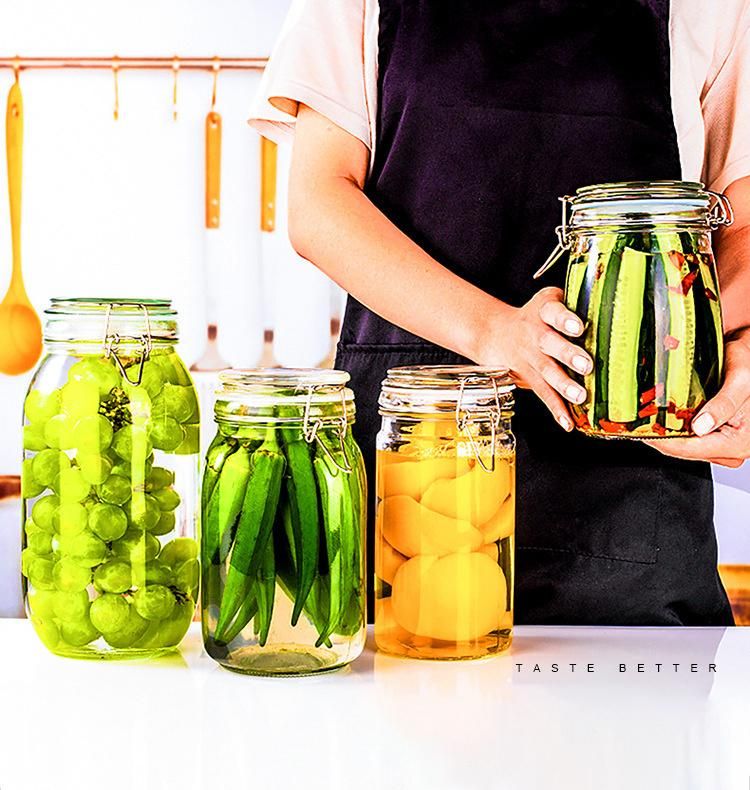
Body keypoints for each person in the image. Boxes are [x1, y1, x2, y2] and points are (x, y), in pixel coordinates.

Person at [250, 0, 750, 625]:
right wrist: (494, 331)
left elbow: (745, 223)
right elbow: (320, 204)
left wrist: (733, 347)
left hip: (631, 504)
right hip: (417, 461)